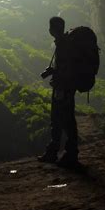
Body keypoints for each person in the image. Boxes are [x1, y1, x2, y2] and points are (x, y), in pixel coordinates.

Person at [38, 16, 79, 169]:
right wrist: (52, 71)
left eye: (50, 27)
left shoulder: (63, 45)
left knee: (61, 120)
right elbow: (65, 67)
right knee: (62, 120)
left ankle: (67, 154)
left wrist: (55, 75)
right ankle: (62, 152)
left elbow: (65, 68)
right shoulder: (64, 43)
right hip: (65, 87)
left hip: (63, 88)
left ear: (52, 29)